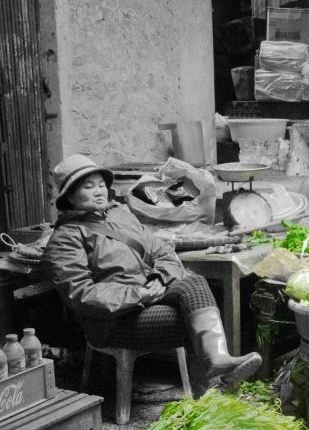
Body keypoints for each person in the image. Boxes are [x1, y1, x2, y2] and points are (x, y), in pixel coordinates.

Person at [42, 154, 262, 390]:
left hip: (148, 296)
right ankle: (209, 392)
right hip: (114, 322)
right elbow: (81, 293)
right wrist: (140, 294)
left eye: (101, 185)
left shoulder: (119, 214)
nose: (99, 192)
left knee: (195, 284)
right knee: (190, 320)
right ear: (70, 197)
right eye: (88, 187)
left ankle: (218, 364)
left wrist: (159, 277)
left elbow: (161, 249)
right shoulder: (65, 239)